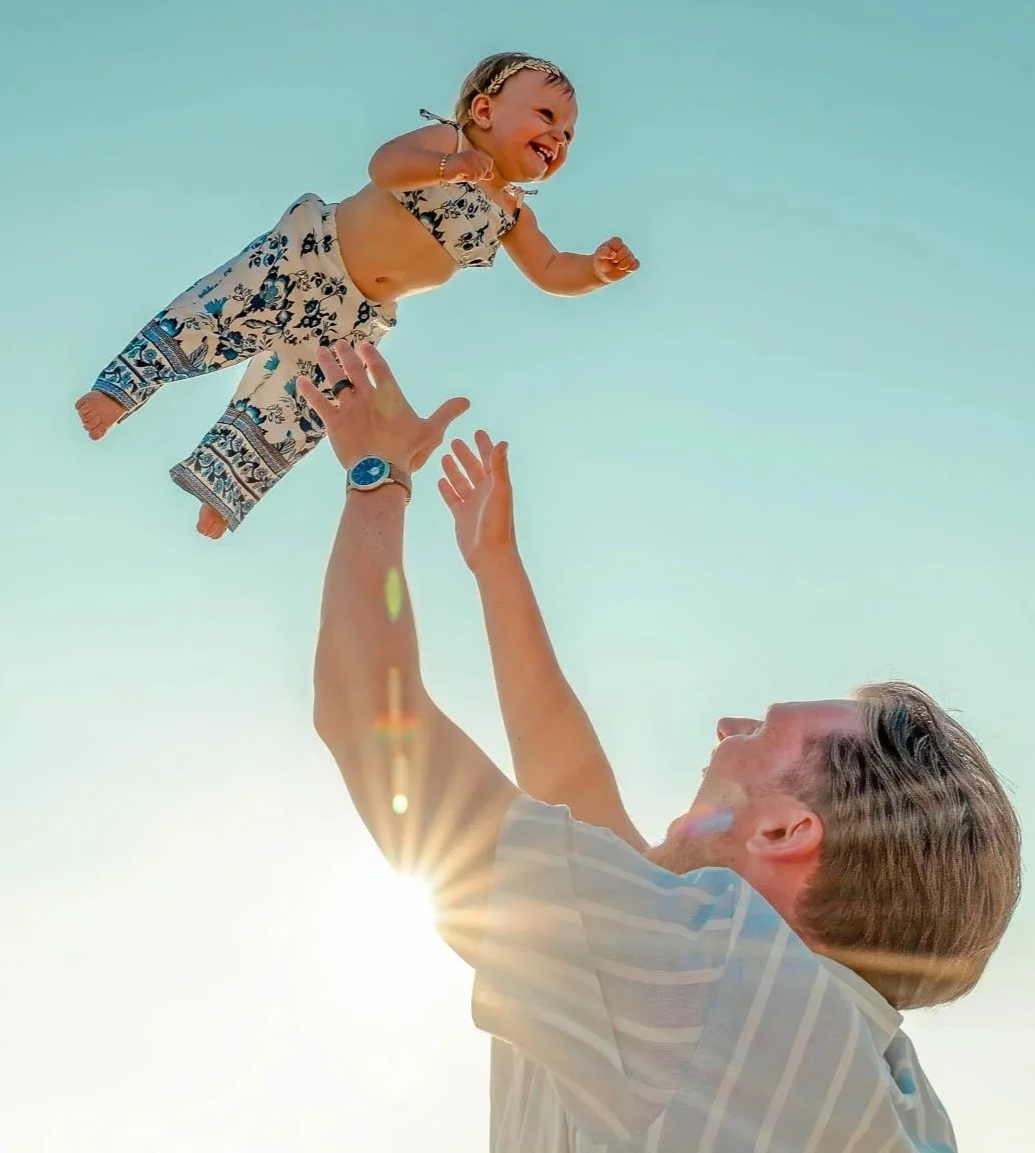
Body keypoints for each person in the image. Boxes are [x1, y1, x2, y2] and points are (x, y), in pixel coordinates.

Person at [302, 338, 1021, 1152]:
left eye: (760, 731)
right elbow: (577, 805)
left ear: (787, 831)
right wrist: (496, 567)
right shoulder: (876, 1083)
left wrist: (376, 476)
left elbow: (367, 718)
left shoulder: (722, 988)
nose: (725, 731)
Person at [74, 53, 638, 536]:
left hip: (353, 315)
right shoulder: (450, 141)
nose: (559, 138)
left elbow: (549, 269)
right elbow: (385, 166)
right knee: (216, 313)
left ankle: (225, 489)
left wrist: (595, 270)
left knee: (304, 402)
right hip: (309, 254)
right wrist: (449, 166)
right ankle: (121, 390)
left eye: (568, 134)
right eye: (547, 115)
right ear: (486, 110)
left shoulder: (513, 213)